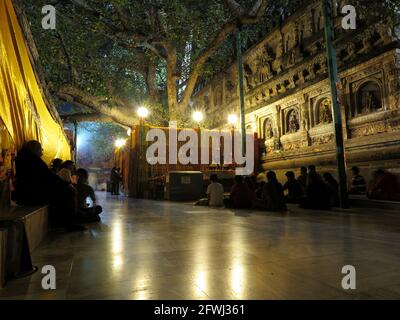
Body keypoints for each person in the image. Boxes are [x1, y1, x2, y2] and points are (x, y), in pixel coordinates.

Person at [13, 140, 85, 232]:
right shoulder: (32, 160)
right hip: (31, 195)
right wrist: (66, 185)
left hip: (29, 193)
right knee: (69, 192)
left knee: (65, 192)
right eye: (40, 149)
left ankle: (70, 220)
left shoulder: (27, 159)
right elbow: (50, 177)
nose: (42, 152)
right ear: (34, 149)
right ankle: (69, 224)